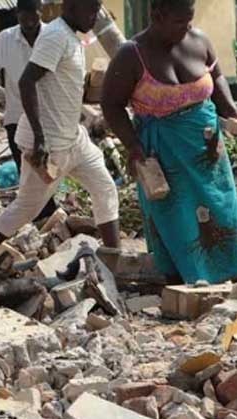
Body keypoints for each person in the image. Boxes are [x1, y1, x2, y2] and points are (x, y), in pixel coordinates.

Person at [0, 0, 120, 278]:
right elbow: (26, 82)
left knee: (105, 189)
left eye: (97, 11)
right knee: (26, 208)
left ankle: (114, 264)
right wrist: (40, 140)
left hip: (73, 139)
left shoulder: (70, 36)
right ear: (70, 6)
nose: (94, 18)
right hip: (49, 143)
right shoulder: (56, 36)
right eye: (90, 10)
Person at [101, 0, 237, 284]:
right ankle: (188, 282)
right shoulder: (131, 55)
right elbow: (111, 105)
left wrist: (231, 110)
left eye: (189, 20)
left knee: (222, 209)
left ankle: (229, 275)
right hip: (163, 155)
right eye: (179, 22)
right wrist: (134, 147)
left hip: (208, 152)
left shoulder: (199, 40)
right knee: (180, 219)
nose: (186, 28)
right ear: (157, 15)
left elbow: (218, 76)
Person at [0, 0, 58, 221]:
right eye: (24, 16)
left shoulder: (54, 36)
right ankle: (41, 220)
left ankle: (50, 217)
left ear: (42, 12)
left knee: (51, 171)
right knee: (28, 176)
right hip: (17, 119)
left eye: (34, 16)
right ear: (17, 14)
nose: (29, 22)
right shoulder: (4, 40)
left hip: (51, 119)